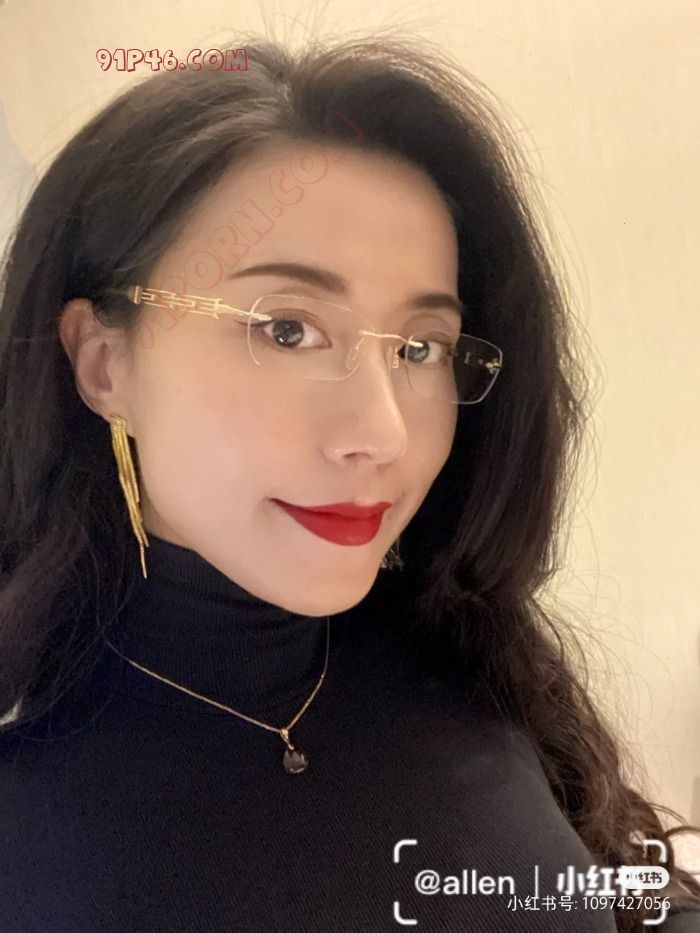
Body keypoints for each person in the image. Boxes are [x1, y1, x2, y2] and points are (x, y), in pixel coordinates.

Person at [0, 31, 698, 933]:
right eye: (287, 329)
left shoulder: (460, 645)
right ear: (103, 362)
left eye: (421, 347)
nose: (384, 432)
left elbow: (612, 890)